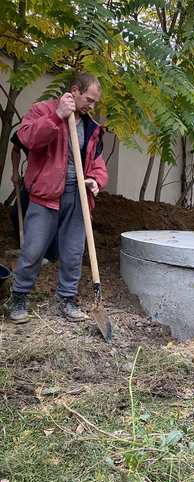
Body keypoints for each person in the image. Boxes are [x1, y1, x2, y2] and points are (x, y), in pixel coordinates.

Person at [9, 72, 109, 324]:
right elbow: (28, 140)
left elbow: (96, 162)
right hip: (46, 195)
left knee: (73, 252)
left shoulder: (89, 126)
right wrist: (57, 117)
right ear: (74, 90)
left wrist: (95, 180)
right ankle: (19, 297)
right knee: (33, 250)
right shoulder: (42, 110)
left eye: (95, 102)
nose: (92, 106)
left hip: (77, 197)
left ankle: (67, 298)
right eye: (89, 99)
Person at [9, 132, 59, 262]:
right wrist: (15, 172)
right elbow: (15, 150)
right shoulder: (26, 130)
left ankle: (49, 255)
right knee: (16, 213)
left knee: (49, 216)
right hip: (32, 179)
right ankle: (26, 245)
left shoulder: (55, 130)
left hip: (52, 182)